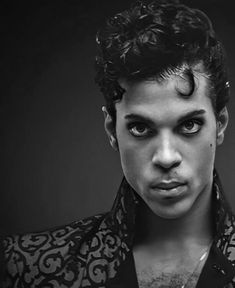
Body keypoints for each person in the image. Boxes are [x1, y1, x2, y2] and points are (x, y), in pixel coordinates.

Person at [2, 0, 235, 287]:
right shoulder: (25, 266)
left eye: (189, 125)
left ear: (220, 124)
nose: (165, 156)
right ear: (112, 129)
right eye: (140, 127)